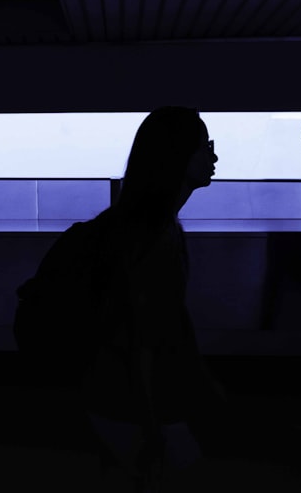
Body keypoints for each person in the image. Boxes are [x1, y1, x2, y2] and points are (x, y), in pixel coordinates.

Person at [79, 106, 224, 491]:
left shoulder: (142, 227)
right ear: (177, 155)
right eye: (205, 146)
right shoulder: (157, 237)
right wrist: (151, 423)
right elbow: (141, 340)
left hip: (112, 395)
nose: (214, 156)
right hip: (135, 402)